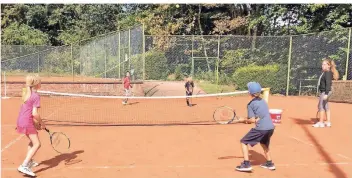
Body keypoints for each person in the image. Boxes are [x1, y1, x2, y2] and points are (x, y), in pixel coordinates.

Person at [235, 82, 276, 172]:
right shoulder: (263, 101)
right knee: (264, 143)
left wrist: (242, 120)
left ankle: (246, 164)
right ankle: (270, 163)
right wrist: (246, 120)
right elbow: (257, 117)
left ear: (249, 93)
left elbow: (252, 120)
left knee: (243, 142)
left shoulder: (250, 104)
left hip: (261, 129)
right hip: (270, 128)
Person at [16, 74, 45, 177]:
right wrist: (42, 123)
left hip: (20, 121)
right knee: (37, 144)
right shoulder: (36, 96)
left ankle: (30, 161)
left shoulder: (25, 92)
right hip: (27, 121)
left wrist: (34, 122)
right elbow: (34, 113)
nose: (41, 83)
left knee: (31, 142)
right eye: (40, 82)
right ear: (37, 84)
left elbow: (26, 110)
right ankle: (24, 165)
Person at [313, 57, 339, 128]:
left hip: (325, 91)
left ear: (329, 66)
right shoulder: (326, 72)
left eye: (325, 64)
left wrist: (326, 94)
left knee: (321, 106)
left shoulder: (327, 73)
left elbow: (328, 83)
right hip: (325, 91)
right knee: (326, 106)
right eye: (322, 64)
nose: (323, 66)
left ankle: (321, 122)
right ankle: (328, 122)